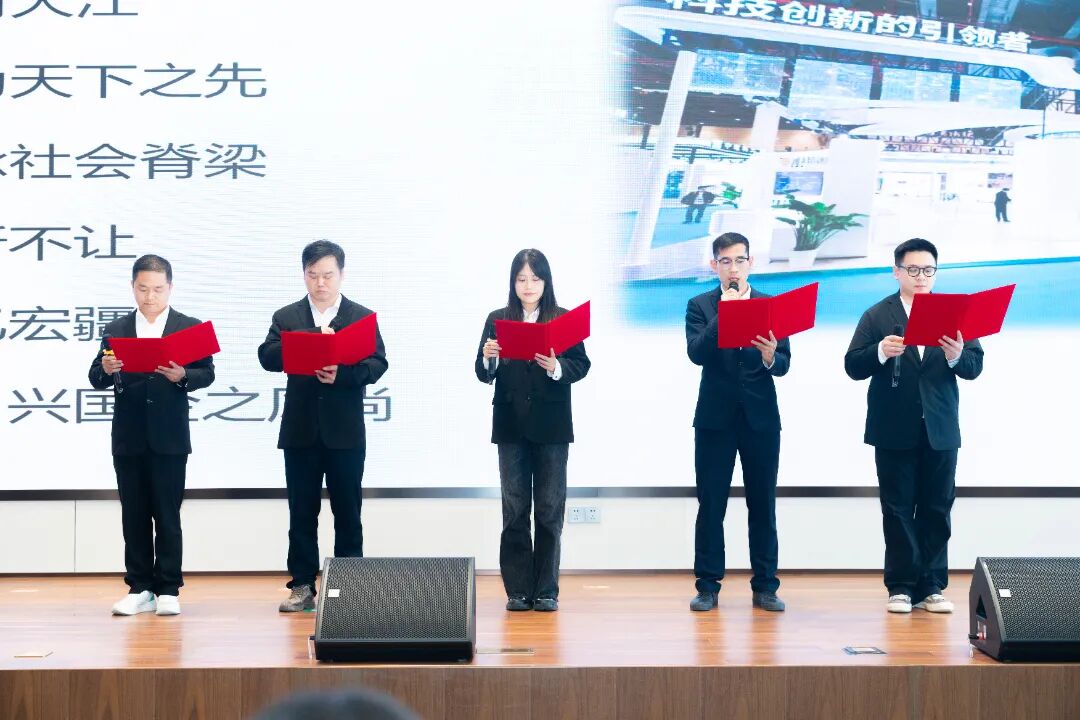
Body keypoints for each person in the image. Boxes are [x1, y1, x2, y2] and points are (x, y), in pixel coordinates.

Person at [844, 238, 984, 614]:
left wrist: (956, 356)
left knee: (937, 507)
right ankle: (902, 586)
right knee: (898, 507)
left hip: (940, 427)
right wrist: (879, 352)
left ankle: (932, 586)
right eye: (913, 269)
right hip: (893, 426)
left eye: (928, 270)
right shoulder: (877, 314)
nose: (921, 276)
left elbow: (974, 366)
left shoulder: (955, 313)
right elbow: (852, 365)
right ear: (897, 271)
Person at [258, 240, 388, 612]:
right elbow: (267, 356)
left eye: (328, 275)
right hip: (300, 431)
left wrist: (342, 374)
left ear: (341, 274)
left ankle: (349, 588)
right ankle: (302, 586)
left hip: (345, 432)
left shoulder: (361, 317)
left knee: (348, 512)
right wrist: (311, 341)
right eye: (313, 275)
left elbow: (377, 364)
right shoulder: (288, 316)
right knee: (301, 512)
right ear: (304, 274)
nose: (320, 283)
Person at [88, 254, 216, 616]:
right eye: (143, 289)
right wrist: (106, 368)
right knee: (134, 515)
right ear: (133, 287)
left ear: (170, 287)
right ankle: (140, 587)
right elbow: (95, 377)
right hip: (128, 437)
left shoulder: (188, 327)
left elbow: (207, 373)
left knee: (167, 515)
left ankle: (169, 588)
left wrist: (183, 375)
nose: (150, 297)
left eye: (158, 289)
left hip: (169, 437)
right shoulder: (116, 329)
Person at [474, 249, 590, 612]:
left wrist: (557, 367)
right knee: (514, 508)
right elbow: (482, 373)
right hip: (510, 425)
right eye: (521, 279)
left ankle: (546, 590)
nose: (528, 286)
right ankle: (518, 589)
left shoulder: (563, 318)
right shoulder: (497, 319)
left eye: (535, 279)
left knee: (550, 509)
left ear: (546, 281)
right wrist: (489, 357)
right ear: (513, 282)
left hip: (552, 426)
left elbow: (581, 364)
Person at [685, 232, 789, 613]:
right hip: (715, 419)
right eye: (725, 261)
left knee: (763, 504)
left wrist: (770, 355)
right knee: (711, 504)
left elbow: (784, 364)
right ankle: (707, 586)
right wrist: (724, 314)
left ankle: (766, 586)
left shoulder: (769, 305)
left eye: (739, 260)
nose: (733, 268)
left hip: (761, 419)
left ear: (751, 263)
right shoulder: (700, 305)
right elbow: (696, 353)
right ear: (714, 265)